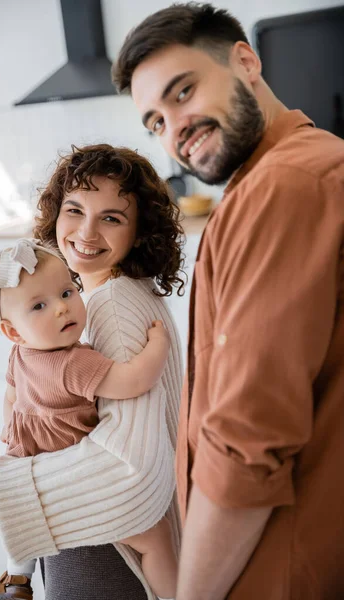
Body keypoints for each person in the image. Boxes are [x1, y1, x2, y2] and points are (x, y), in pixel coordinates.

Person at [112, 3, 344, 600]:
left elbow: (245, 445)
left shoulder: (282, 186)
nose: (175, 129)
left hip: (279, 570)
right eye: (155, 122)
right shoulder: (303, 166)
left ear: (245, 60)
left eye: (183, 92)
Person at [0, 144, 185, 600]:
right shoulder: (93, 300)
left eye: (112, 218)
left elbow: (128, 458)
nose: (86, 231)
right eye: (75, 209)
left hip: (103, 538)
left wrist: (17, 486)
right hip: (88, 515)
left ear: (140, 232)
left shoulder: (111, 306)